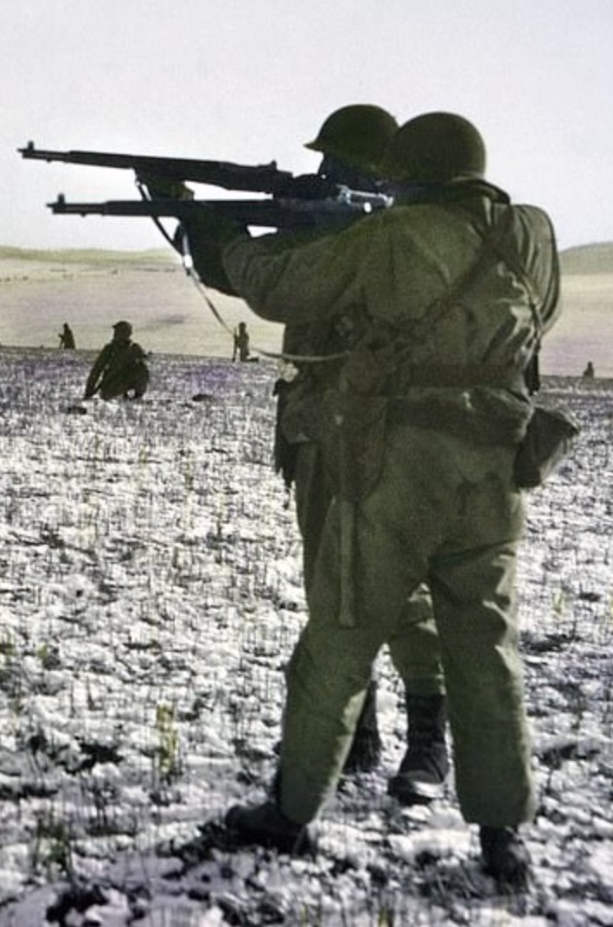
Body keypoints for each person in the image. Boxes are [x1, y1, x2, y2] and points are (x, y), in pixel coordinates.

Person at [185, 111, 561, 892]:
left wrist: (221, 240)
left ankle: (290, 814)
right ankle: (503, 839)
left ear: (407, 172)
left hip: (399, 462)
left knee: (342, 631)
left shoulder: (391, 235)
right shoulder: (531, 233)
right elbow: (538, 318)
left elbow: (280, 285)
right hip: (496, 466)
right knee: (486, 645)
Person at [189, 105, 449, 802]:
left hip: (386, 429)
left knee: (401, 592)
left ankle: (429, 739)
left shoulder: (403, 236)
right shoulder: (334, 225)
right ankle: (355, 731)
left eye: (340, 164)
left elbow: (283, 281)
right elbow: (251, 276)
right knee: (326, 583)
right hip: (316, 425)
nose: (325, 172)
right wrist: (194, 218)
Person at [84, 321, 150, 400]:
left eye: (118, 332)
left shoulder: (134, 348)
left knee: (142, 368)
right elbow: (97, 370)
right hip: (111, 385)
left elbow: (144, 366)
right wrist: (89, 390)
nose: (115, 334)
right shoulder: (110, 349)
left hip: (126, 384)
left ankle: (136, 396)